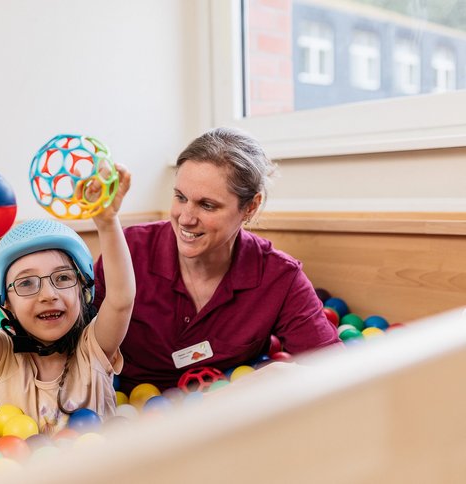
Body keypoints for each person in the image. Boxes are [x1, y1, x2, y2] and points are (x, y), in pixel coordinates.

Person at [93, 127, 341, 394]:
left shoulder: (279, 276)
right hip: (126, 412)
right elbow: (74, 347)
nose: (186, 218)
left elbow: (338, 369)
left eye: (207, 205)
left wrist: (277, 374)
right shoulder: (129, 251)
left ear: (250, 207)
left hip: (226, 417)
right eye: (180, 197)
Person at [0, 165, 134, 434]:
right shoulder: (4, 358)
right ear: (6, 303)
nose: (48, 294)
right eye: (26, 283)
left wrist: (107, 222)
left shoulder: (93, 349)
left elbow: (121, 301)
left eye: (63, 278)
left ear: (83, 289)